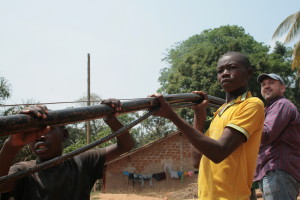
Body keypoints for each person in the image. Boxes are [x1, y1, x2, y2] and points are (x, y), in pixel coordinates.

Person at [150, 52, 265, 200]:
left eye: (232, 67)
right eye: (220, 71)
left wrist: (172, 115)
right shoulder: (220, 113)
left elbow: (219, 152)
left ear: (248, 73)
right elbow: (197, 160)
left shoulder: (252, 105)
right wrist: (199, 115)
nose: (224, 74)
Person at [0, 99, 135, 200]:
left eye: (48, 129)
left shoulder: (83, 161)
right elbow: (2, 185)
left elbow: (126, 145)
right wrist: (12, 145)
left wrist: (110, 119)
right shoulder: (24, 171)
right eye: (33, 132)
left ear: (64, 135)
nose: (39, 136)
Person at [254, 73, 300, 200]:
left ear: (282, 88)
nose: (266, 86)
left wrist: (245, 121)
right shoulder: (269, 109)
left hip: (278, 170)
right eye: (263, 84)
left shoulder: (282, 104)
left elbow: (266, 134)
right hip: (272, 171)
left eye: (271, 83)